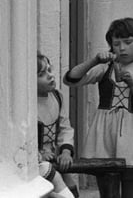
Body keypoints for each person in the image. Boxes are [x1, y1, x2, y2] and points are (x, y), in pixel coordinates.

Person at [64, 18, 133, 198]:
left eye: (128, 42)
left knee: (131, 193)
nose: (122, 48)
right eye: (116, 44)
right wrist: (94, 60)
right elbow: (71, 79)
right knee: (107, 191)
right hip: (105, 136)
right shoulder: (105, 68)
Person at [37, 52, 78, 198]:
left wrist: (66, 152)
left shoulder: (57, 96)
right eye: (42, 74)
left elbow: (65, 127)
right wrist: (39, 152)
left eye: (49, 70)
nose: (50, 75)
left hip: (56, 156)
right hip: (37, 162)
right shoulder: (28, 103)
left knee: (71, 187)